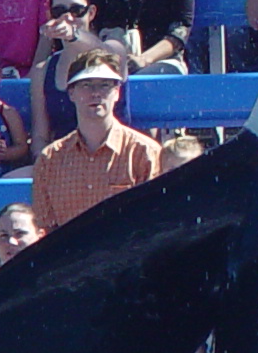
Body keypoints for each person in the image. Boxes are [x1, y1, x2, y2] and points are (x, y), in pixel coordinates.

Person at [30, 47, 161, 231]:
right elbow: (44, 229)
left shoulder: (144, 152)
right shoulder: (49, 160)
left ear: (117, 93)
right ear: (71, 93)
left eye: (105, 85)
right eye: (86, 85)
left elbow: (153, 222)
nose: (96, 93)